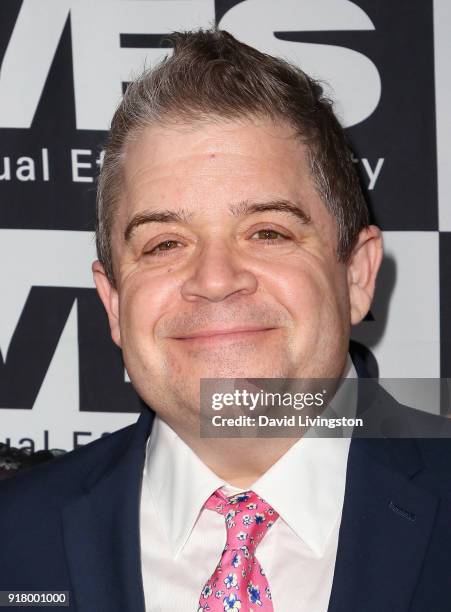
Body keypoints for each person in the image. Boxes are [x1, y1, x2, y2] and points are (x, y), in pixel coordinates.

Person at [1, 28, 450, 612]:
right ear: (113, 302)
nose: (215, 279)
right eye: (164, 244)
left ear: (357, 277)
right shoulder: (13, 540)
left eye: (268, 231)